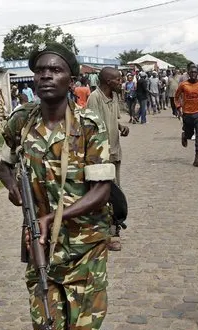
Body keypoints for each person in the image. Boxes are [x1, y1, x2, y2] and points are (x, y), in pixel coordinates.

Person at [0, 42, 114, 330]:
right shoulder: (21, 121)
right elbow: (3, 164)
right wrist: (13, 188)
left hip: (85, 243)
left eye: (56, 70)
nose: (46, 75)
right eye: (41, 70)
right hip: (39, 243)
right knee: (47, 327)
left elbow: (102, 190)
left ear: (71, 79)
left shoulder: (89, 126)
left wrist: (53, 217)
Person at [87, 67, 130, 251]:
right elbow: (91, 125)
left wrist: (120, 127)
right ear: (108, 81)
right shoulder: (94, 98)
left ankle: (113, 228)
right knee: (106, 195)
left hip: (115, 152)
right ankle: (109, 234)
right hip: (102, 156)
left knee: (115, 192)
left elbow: (110, 119)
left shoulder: (114, 97)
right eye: (118, 80)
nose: (122, 83)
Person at [175, 64, 198, 168]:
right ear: (188, 73)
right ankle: (185, 135)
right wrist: (178, 108)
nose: (193, 74)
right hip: (187, 114)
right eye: (191, 72)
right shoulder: (183, 85)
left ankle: (196, 159)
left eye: (195, 72)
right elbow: (176, 97)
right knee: (189, 134)